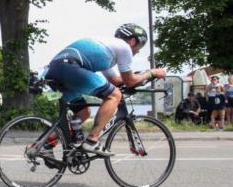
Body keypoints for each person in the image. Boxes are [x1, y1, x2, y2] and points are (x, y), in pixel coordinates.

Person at [44, 24, 166, 155]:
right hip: (69, 67)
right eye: (140, 46)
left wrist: (140, 76)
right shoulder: (124, 47)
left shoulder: (107, 48)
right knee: (114, 95)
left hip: (54, 70)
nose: (138, 51)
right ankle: (92, 140)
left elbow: (115, 80)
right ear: (132, 41)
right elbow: (129, 81)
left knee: (83, 112)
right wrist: (152, 73)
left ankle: (45, 144)